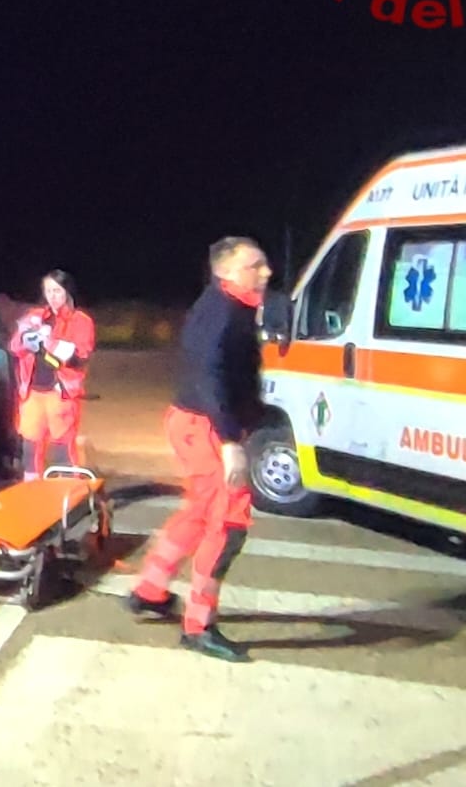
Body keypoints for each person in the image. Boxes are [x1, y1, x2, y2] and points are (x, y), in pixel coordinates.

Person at [125, 236, 272, 662]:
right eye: (255, 266)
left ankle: (149, 590)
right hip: (206, 427)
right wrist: (230, 442)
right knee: (228, 524)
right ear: (225, 272)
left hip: (197, 423)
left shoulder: (227, 306)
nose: (265, 273)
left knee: (200, 511)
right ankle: (199, 626)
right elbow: (211, 377)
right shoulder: (223, 312)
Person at [8, 269, 95, 479]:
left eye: (57, 290)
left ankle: (66, 494)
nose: (52, 296)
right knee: (30, 445)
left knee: (62, 447)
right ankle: (31, 490)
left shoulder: (80, 321)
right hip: (32, 391)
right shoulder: (35, 317)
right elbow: (14, 346)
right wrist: (25, 339)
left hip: (60, 391)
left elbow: (80, 356)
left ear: (67, 291)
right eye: (48, 291)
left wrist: (49, 344)